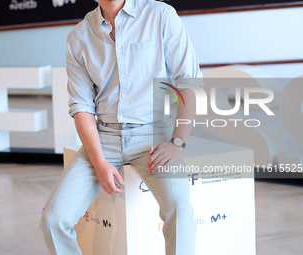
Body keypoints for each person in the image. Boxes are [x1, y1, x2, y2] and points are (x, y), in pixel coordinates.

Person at [40, 0, 203, 254]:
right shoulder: (78, 37)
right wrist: (98, 161)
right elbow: (82, 106)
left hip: (153, 133)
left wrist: (178, 142)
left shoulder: (161, 15)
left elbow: (188, 83)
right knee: (53, 220)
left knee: (179, 209)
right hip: (103, 137)